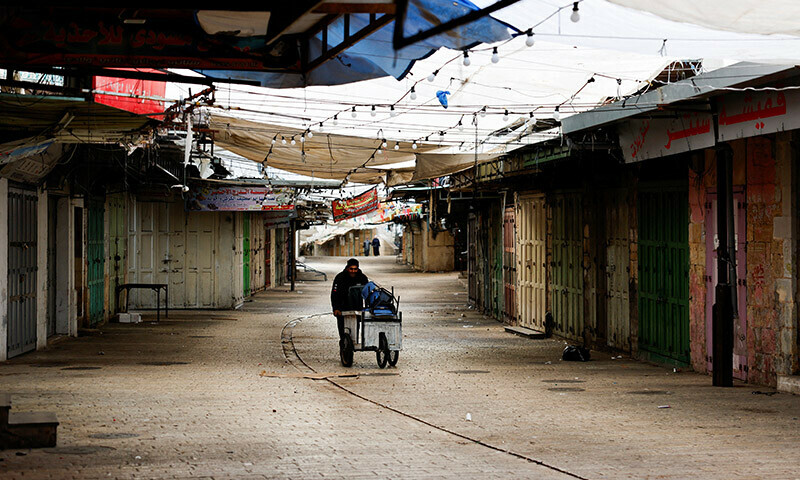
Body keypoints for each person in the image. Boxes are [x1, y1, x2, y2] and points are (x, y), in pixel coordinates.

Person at [331, 258, 368, 343]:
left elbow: (367, 294)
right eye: (351, 269)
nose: (353, 271)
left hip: (356, 309)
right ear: (347, 268)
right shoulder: (340, 278)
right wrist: (335, 308)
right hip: (342, 309)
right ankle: (344, 349)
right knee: (343, 332)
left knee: (354, 332)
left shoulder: (362, 278)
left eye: (355, 269)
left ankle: (351, 347)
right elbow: (334, 294)